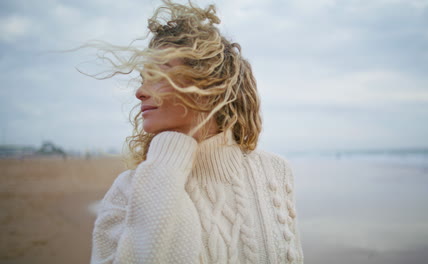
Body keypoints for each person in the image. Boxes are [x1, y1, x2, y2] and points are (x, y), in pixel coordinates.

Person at [90, 1, 304, 263]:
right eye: (143, 78)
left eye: (158, 74)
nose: (140, 91)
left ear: (210, 85)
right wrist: (168, 157)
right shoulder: (126, 191)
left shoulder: (276, 172)